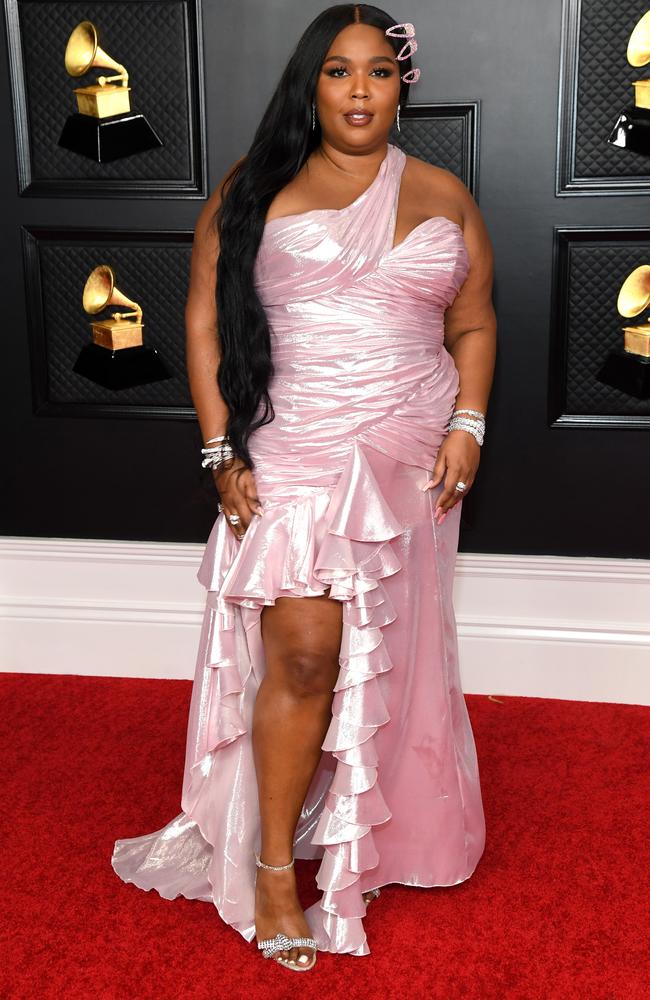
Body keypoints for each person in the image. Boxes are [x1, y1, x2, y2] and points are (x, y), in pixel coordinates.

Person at [111, 3, 496, 973]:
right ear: (309, 84)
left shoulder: (445, 194)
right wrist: (216, 447)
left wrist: (468, 421)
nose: (358, 88)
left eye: (376, 69)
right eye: (337, 71)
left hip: (411, 448)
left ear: (401, 82)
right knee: (305, 647)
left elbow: (474, 321)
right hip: (297, 441)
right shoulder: (256, 186)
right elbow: (201, 316)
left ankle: (379, 834)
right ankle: (276, 865)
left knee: (387, 650)